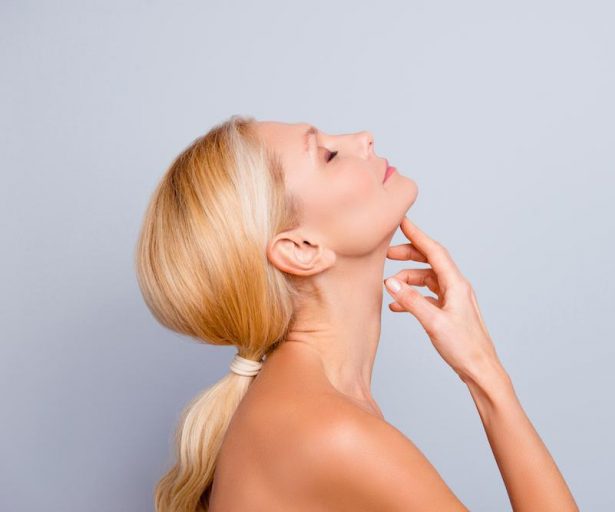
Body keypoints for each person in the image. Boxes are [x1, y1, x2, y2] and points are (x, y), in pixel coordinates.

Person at [135, 114, 579, 511]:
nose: (364, 138)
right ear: (301, 249)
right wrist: (485, 373)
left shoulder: (311, 407)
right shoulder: (332, 432)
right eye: (327, 155)